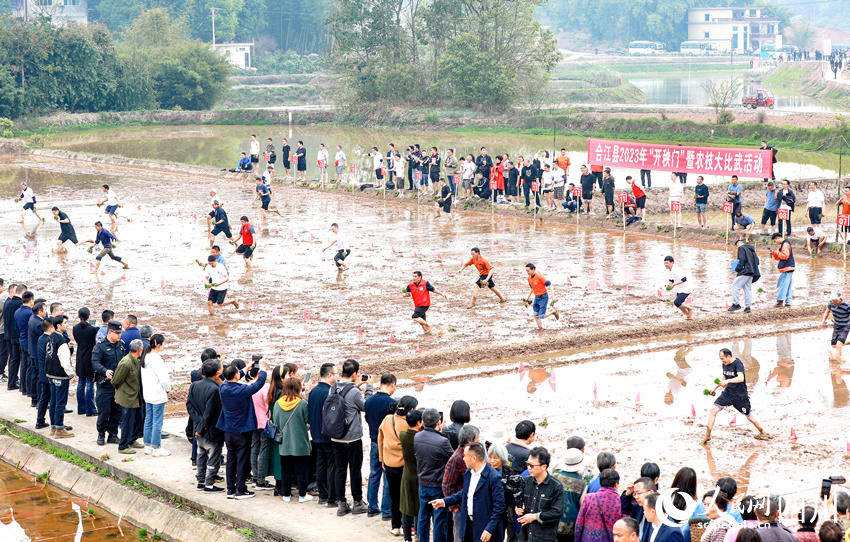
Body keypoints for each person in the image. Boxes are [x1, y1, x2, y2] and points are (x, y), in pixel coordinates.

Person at [431, 441, 507, 542]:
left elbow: (499, 506)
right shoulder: (469, 473)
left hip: (484, 529)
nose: (463, 459)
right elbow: (465, 493)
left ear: (473, 458)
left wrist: (489, 529)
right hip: (468, 526)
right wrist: (444, 501)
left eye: (465, 456)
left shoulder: (493, 477)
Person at [218, 359, 268, 499]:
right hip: (241, 430)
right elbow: (258, 384)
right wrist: (262, 369)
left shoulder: (223, 388)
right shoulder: (242, 390)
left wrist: (246, 368)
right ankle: (240, 489)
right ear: (235, 376)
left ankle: (230, 489)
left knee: (231, 459)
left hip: (228, 430)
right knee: (241, 460)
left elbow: (232, 376)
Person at [329, 359, 374, 516]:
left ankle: (341, 504)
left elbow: (346, 395)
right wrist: (369, 388)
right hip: (352, 438)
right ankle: (357, 503)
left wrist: (357, 386)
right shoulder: (354, 392)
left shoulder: (333, 387)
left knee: (340, 470)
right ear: (355, 374)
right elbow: (366, 406)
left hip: (335, 437)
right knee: (355, 471)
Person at [702, 348, 769, 444]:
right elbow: (724, 378)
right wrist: (714, 389)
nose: (722, 361)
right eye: (720, 359)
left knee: (749, 416)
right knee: (713, 410)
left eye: (722, 358)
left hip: (740, 396)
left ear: (728, 356)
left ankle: (762, 431)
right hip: (728, 393)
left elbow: (741, 378)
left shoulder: (738, 364)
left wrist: (728, 381)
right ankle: (707, 436)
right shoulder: (724, 364)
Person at [379, 396, 418, 535]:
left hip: (389, 464)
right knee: (408, 496)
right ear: (411, 409)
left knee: (394, 495)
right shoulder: (409, 424)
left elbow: (380, 439)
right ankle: (411, 526)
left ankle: (395, 526)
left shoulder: (387, 419)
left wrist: (381, 458)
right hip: (404, 465)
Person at [271, 377, 312, 502]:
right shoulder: (302, 404)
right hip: (300, 443)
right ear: (298, 388)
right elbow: (308, 422)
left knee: (286, 470)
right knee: (302, 470)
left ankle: (286, 495)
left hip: (284, 443)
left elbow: (275, 422)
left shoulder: (278, 403)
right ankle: (302, 495)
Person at [415, 408, 453, 542]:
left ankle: (422, 539)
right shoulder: (442, 441)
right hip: (438, 484)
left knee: (423, 516)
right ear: (438, 422)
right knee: (439, 519)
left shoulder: (417, 437)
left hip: (422, 482)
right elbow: (452, 459)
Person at [187, 359, 224, 492]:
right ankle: (209, 484)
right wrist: (203, 426)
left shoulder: (194, 385)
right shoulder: (215, 389)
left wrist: (198, 425)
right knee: (213, 456)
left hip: (199, 429)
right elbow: (209, 413)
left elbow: (189, 406)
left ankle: (200, 481)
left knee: (201, 455)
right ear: (218, 372)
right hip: (211, 429)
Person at [514, 447, 565, 542]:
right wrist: (518, 509)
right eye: (528, 464)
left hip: (544, 538)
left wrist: (534, 517)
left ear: (544, 467)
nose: (529, 468)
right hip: (525, 536)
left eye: (532, 465)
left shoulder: (556, 486)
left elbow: (557, 512)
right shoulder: (525, 482)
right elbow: (520, 504)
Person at [365, 374, 398, 520]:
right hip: (387, 444)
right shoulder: (391, 403)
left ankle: (372, 507)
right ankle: (386, 511)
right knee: (388, 477)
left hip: (373, 441)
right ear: (392, 385)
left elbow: (367, 418)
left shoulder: (369, 401)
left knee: (374, 474)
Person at [443, 425, 481, 542]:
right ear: (470, 441)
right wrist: (455, 507)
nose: (479, 442)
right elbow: (446, 485)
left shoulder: (469, 455)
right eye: (477, 439)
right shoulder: (457, 458)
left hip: (470, 506)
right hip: (460, 508)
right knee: (460, 537)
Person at [91, 320, 125, 446]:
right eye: (117, 333)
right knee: (104, 412)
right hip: (105, 385)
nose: (119, 335)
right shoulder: (100, 346)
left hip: (118, 386)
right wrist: (104, 371)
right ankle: (101, 434)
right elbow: (95, 362)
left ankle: (113, 434)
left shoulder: (121, 345)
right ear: (110, 332)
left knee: (117, 411)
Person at [308, 362, 337, 505]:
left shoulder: (313, 391)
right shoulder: (329, 392)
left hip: (316, 434)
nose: (337, 376)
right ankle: (331, 496)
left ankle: (322, 495)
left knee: (320, 465)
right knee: (331, 466)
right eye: (336, 374)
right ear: (330, 375)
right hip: (328, 435)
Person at [112, 339, 144, 454]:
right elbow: (115, 381)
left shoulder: (137, 360)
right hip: (127, 398)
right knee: (127, 422)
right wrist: (118, 395)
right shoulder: (126, 363)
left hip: (136, 396)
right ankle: (123, 445)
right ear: (140, 350)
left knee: (138, 419)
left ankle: (132, 439)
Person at [44, 316, 74, 438]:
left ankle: (53, 427)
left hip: (50, 374)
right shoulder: (61, 341)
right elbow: (65, 361)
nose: (67, 325)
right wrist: (71, 373)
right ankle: (60, 429)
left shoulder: (50, 337)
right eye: (65, 323)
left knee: (53, 402)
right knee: (60, 403)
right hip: (60, 376)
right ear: (58, 326)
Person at [141, 334, 171, 456]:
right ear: (158, 345)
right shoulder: (157, 359)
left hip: (147, 393)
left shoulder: (146, 357)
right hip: (157, 394)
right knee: (157, 421)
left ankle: (147, 446)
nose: (164, 346)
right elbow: (164, 379)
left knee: (148, 419)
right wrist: (168, 389)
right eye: (163, 344)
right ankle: (156, 447)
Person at [575, 469, 623, 542]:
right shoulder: (618, 501)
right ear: (616, 484)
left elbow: (579, 524)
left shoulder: (588, 498)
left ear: (601, 483)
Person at [401, 409, 424, 542]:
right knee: (418, 507)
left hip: (406, 473)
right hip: (418, 474)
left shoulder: (403, 434)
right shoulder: (419, 438)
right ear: (418, 423)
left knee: (406, 506)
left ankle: (406, 537)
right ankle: (417, 534)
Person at [72, 307, 98, 417]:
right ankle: (90, 409)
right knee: (90, 383)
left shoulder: (75, 328)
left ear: (79, 316)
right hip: (89, 357)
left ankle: (81, 408)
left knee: (81, 382)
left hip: (80, 357)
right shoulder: (93, 330)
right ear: (89, 316)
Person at [525, 264, 560, 330]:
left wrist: (553, 297)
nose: (527, 272)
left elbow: (550, 285)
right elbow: (532, 289)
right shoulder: (529, 278)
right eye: (526, 271)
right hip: (536, 297)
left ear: (533, 269)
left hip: (543, 297)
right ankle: (541, 328)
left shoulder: (539, 277)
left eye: (528, 271)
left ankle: (553, 312)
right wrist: (527, 298)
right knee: (535, 315)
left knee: (541, 316)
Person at [729, 240, 760, 313]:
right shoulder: (752, 250)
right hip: (752, 272)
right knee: (747, 289)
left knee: (735, 287)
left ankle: (736, 304)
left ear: (738, 244)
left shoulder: (741, 248)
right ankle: (747, 307)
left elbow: (742, 260)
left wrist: (737, 269)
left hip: (745, 271)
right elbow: (757, 262)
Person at [3, 284, 23, 390]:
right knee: (15, 359)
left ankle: (12, 380)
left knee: (13, 359)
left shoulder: (7, 302)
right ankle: (12, 382)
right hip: (15, 336)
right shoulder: (18, 304)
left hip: (8, 335)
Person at [821, 292, 850, 361]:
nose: (834, 302)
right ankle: (848, 342)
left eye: (835, 301)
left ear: (839, 299)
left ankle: (838, 362)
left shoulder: (846, 306)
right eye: (833, 301)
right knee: (834, 345)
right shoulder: (831, 303)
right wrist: (823, 321)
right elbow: (827, 311)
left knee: (839, 344)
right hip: (836, 326)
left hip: (845, 327)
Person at [663, 256, 694, 320]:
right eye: (665, 263)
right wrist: (668, 285)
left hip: (686, 288)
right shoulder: (670, 270)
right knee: (678, 304)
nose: (666, 265)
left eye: (667, 263)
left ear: (672, 263)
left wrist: (674, 285)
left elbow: (684, 279)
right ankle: (689, 316)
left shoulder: (676, 270)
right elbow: (671, 280)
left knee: (677, 302)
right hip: (680, 289)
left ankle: (690, 309)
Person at [770, 233, 795, 308]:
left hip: (786, 268)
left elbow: (785, 256)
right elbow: (778, 258)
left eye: (775, 241)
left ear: (778, 238)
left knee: (782, 285)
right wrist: (774, 253)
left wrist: (777, 252)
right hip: (789, 267)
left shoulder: (785, 244)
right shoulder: (784, 245)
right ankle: (788, 302)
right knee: (788, 286)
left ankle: (780, 302)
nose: (776, 242)